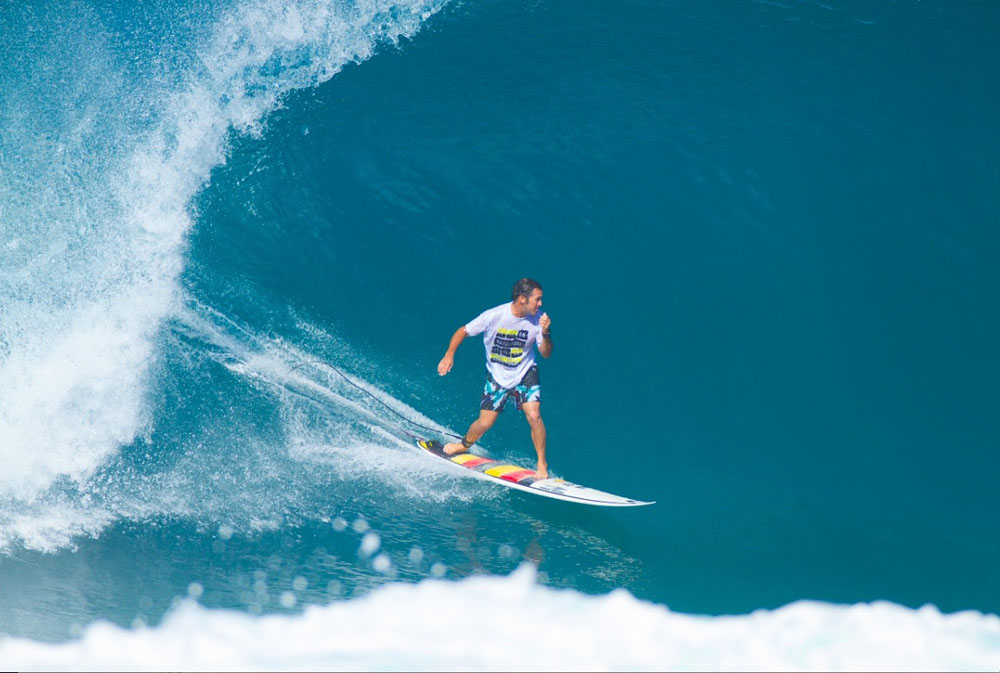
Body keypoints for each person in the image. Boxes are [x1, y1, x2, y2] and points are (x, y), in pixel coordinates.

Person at [437, 278, 554, 479]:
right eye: (537, 299)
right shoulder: (494, 316)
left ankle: (542, 464)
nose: (541, 304)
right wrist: (449, 355)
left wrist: (545, 332)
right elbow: (463, 331)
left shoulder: (539, 319)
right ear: (522, 299)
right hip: (498, 376)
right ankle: (463, 445)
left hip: (525, 372)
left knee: (534, 415)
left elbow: (545, 353)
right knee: (484, 423)